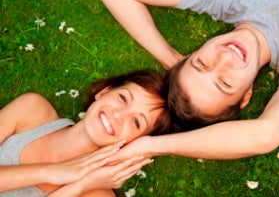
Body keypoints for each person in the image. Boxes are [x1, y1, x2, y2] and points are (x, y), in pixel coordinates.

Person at [96, 0, 279, 160]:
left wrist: (170, 59)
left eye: (201, 63)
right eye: (225, 83)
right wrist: (151, 146)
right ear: (245, 96)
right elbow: (266, 135)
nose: (225, 58)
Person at [0, 70, 172, 197]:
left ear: (136, 143)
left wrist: (80, 186)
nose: (118, 115)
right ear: (103, 92)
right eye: (123, 98)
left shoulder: (97, 193)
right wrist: (50, 172)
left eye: (136, 122)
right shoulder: (32, 109)